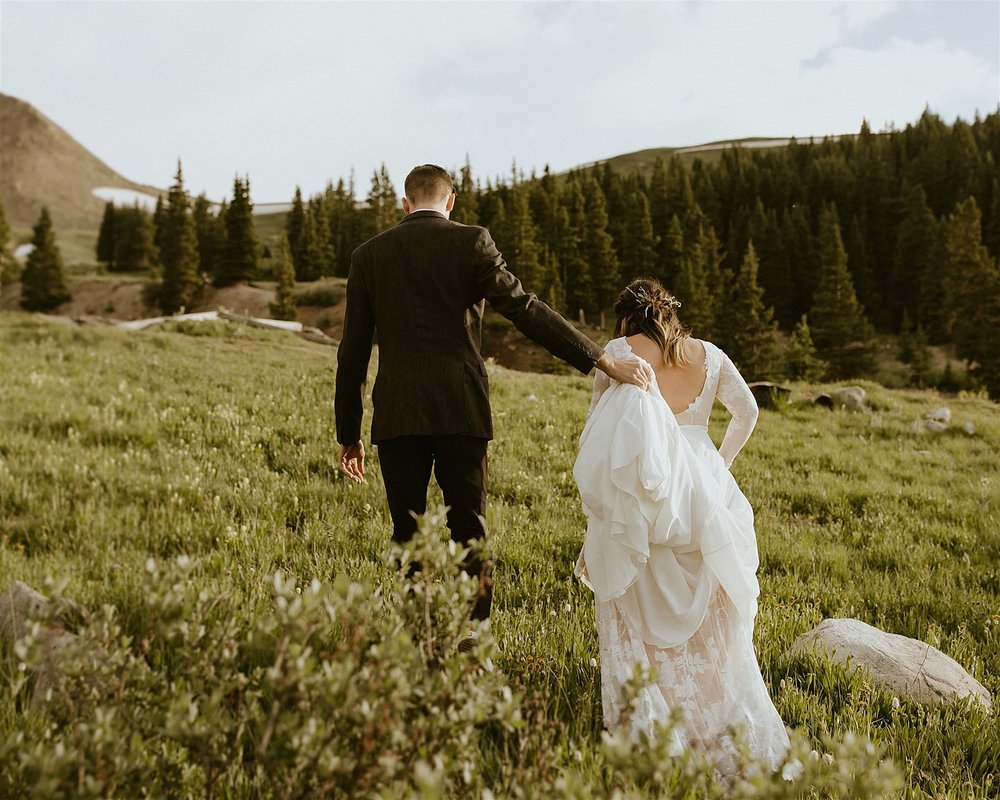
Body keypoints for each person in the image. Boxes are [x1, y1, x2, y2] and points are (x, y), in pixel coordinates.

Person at [335, 164, 649, 627]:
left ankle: (417, 637)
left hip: (398, 412)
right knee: (470, 528)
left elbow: (353, 351)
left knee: (407, 531)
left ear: (405, 204)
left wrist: (349, 432)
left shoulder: (369, 256)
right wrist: (602, 359)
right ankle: (473, 635)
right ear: (451, 201)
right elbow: (526, 309)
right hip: (461, 407)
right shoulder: (471, 242)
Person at [573, 277, 789, 772]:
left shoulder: (618, 351)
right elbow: (747, 411)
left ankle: (649, 710)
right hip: (701, 484)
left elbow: (597, 425)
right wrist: (719, 462)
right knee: (710, 606)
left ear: (628, 318)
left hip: (645, 483)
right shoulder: (709, 354)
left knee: (635, 588)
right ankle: (714, 705)